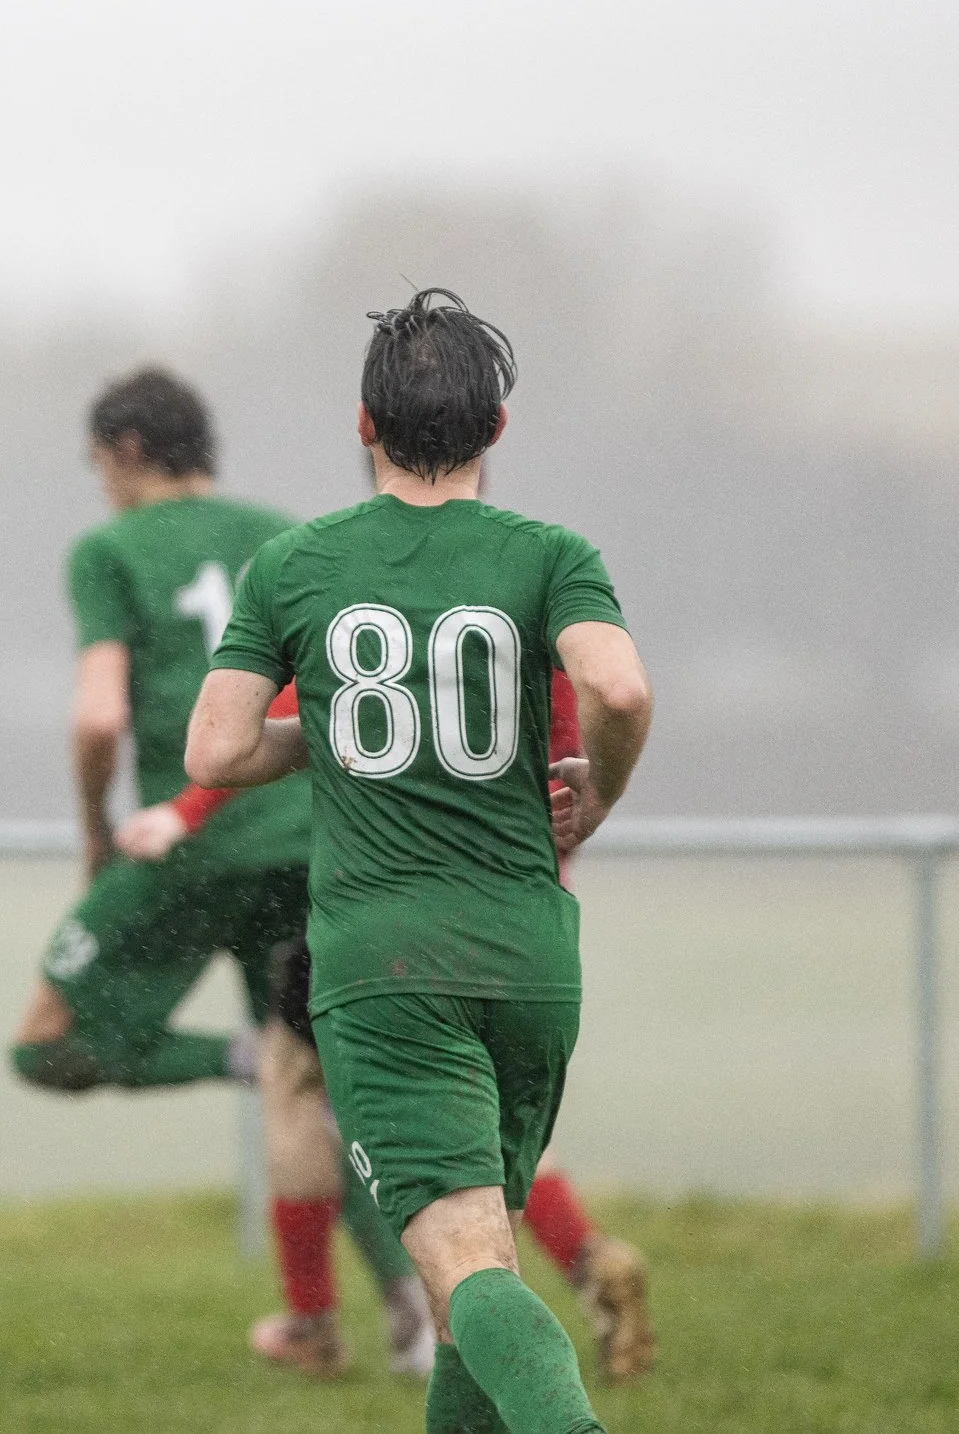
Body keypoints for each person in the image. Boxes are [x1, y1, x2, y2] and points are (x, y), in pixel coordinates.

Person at [187, 289, 652, 1434]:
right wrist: (598, 787)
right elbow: (620, 687)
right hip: (532, 955)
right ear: (496, 429)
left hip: (387, 965)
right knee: (473, 1274)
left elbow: (217, 745)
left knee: (464, 1264)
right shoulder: (551, 556)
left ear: (363, 425)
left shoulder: (296, 565)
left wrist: (334, 731)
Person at [8, 366, 431, 1378]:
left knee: (45, 1041)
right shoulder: (285, 534)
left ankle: (230, 1059)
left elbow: (100, 712)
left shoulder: (107, 550)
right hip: (313, 838)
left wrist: (93, 828)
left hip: (194, 842)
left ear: (122, 451)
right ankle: (402, 1310)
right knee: (317, 1088)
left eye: (95, 464)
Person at [129, 666, 656, 1381]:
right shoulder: (531, 605)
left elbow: (262, 722)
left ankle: (319, 1322)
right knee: (491, 1121)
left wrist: (182, 812)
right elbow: (584, 739)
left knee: (295, 1080)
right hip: (518, 922)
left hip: (387, 910)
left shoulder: (379, 601)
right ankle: (588, 1262)